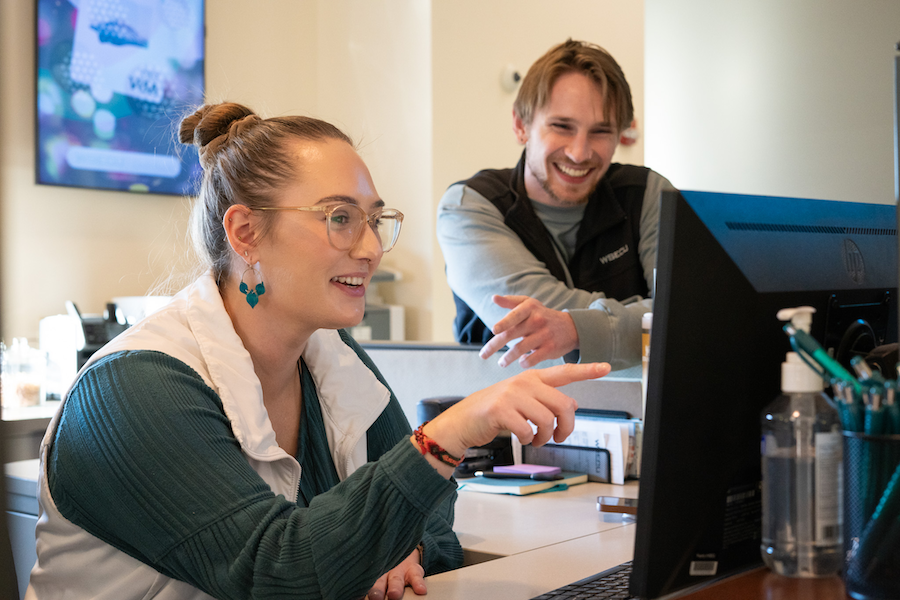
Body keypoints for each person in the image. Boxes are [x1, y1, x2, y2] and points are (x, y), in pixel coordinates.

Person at [25, 102, 611, 600]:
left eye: (375, 219)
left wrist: (398, 549)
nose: (371, 247)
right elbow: (278, 570)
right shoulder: (132, 391)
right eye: (339, 218)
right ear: (246, 233)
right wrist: (452, 433)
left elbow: (430, 515)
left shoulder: (330, 353)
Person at [437, 39, 676, 371]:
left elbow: (683, 319)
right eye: (562, 127)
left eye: (601, 131)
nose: (579, 153)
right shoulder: (471, 207)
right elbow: (531, 331)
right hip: (510, 418)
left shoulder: (648, 194)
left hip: (635, 415)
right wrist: (641, 318)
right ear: (521, 126)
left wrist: (575, 329)